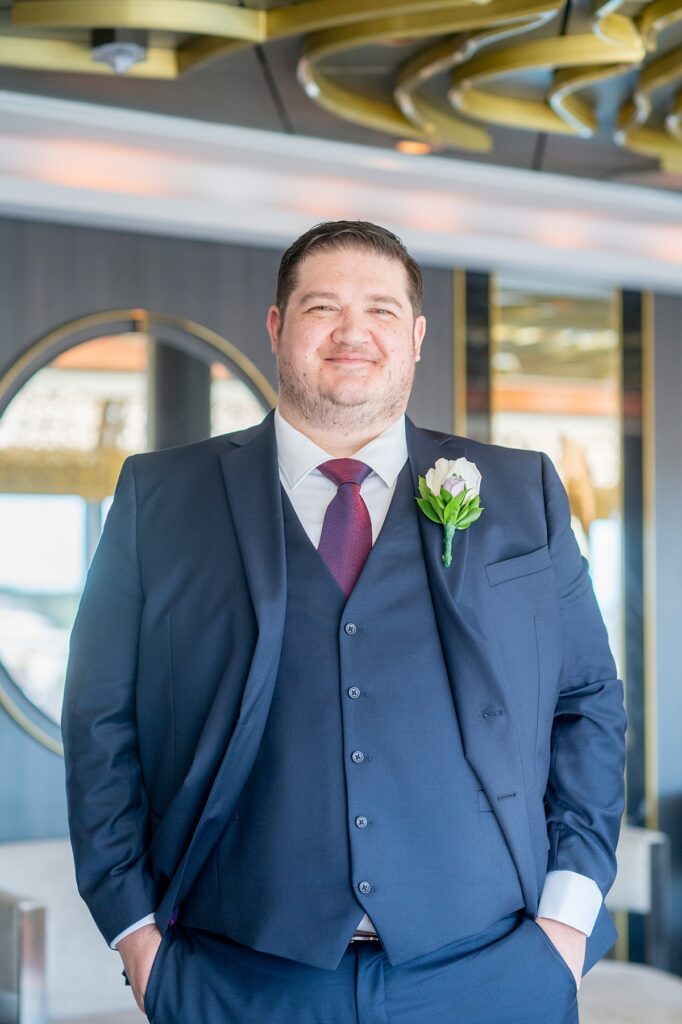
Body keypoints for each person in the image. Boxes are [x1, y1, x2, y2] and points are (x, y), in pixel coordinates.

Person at [63, 220, 627, 1024]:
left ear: (418, 336)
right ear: (277, 327)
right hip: (236, 977)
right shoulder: (160, 498)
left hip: (493, 973)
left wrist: (566, 923)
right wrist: (137, 939)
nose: (352, 332)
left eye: (383, 311)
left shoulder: (519, 492)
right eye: (322, 306)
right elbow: (99, 723)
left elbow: (587, 702)